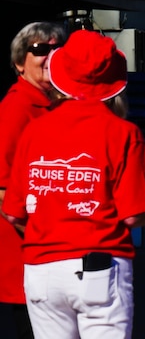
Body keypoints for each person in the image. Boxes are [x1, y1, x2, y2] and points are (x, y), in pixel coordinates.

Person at [2, 29, 145, 339]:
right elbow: (133, 216)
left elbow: (14, 212)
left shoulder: (36, 130)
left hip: (41, 270)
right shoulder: (123, 133)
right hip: (99, 267)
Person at [0, 22, 66, 339]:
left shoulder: (53, 106)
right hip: (28, 253)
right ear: (19, 62)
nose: (51, 55)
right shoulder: (17, 108)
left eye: (57, 49)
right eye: (40, 49)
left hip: (49, 256)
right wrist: (48, 236)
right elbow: (2, 187)